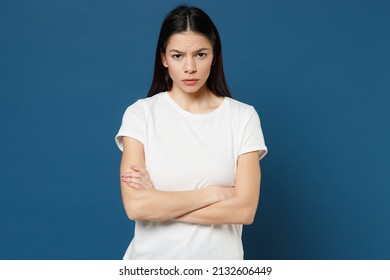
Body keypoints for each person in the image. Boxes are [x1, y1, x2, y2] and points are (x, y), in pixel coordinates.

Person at [115, 5, 267, 260]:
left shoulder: (242, 117)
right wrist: (213, 194)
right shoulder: (140, 115)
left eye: (200, 54)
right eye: (177, 55)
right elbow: (136, 206)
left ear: (214, 55)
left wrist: (160, 203)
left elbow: (244, 210)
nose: (190, 67)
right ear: (163, 58)